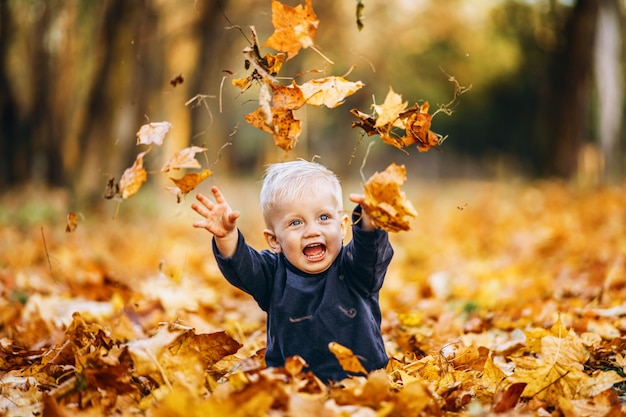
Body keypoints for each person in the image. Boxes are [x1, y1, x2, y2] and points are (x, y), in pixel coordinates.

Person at [191, 160, 394, 382]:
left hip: (363, 383)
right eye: (296, 223)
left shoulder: (355, 267)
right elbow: (243, 268)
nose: (312, 231)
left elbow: (371, 253)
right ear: (274, 240)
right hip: (293, 387)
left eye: (323, 217)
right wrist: (228, 238)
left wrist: (370, 223)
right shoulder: (273, 273)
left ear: (343, 226)